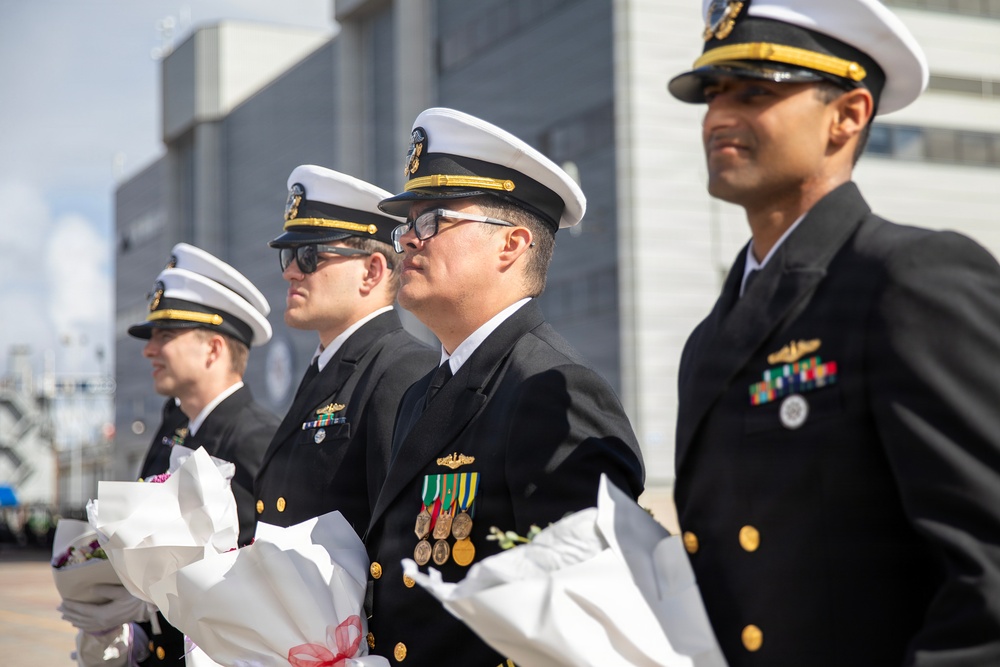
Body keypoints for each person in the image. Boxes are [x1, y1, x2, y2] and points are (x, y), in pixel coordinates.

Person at [668, 1, 1000, 664]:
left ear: (847, 116)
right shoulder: (710, 337)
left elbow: (988, 574)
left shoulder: (909, 277)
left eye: (756, 91)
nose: (719, 116)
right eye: (713, 92)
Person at [364, 107, 646, 665]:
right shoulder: (423, 393)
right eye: (406, 226)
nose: (408, 243)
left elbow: (587, 624)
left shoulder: (551, 388)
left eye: (433, 221)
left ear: (511, 245)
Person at [254, 165, 436, 536]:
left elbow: (393, 542)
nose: (290, 272)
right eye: (288, 256)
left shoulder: (403, 370)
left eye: (308, 255)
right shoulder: (328, 368)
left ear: (372, 271)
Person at [127, 243, 279, 664]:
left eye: (165, 336)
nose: (149, 351)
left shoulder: (259, 441)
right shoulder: (172, 434)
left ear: (213, 349)